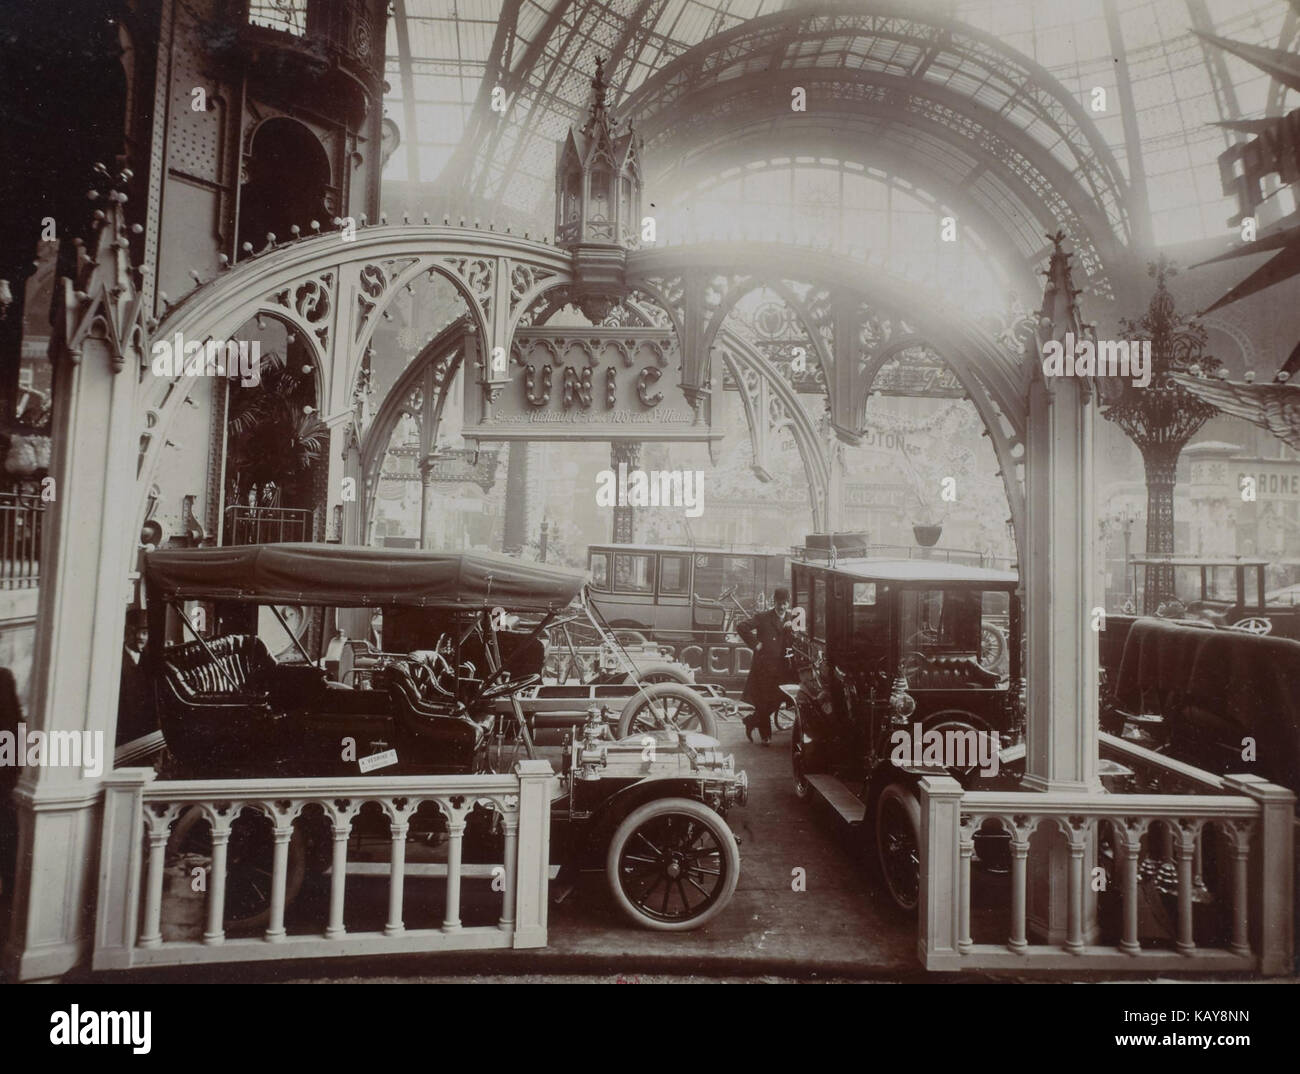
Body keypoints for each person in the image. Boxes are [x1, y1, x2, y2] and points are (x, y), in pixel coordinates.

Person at [736, 587, 795, 745]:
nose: (782, 607)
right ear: (774, 602)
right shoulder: (763, 617)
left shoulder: (791, 618)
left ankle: (751, 721)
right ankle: (765, 736)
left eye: (785, 603)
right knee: (763, 701)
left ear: (788, 603)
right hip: (764, 668)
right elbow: (741, 627)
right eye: (779, 603)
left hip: (782, 669)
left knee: (778, 699)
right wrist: (755, 644)